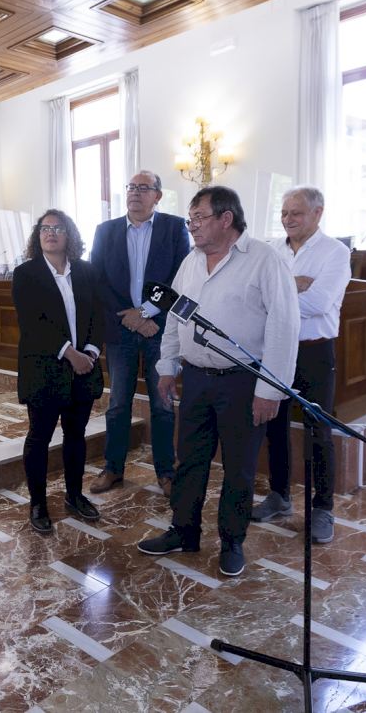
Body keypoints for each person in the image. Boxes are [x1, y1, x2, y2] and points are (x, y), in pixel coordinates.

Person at [137, 186, 298, 577]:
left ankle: (232, 541)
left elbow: (284, 327)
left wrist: (270, 391)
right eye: (190, 219)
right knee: (190, 459)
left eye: (199, 218)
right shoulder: (191, 262)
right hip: (195, 379)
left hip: (243, 381)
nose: (192, 226)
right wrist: (167, 366)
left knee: (239, 467)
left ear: (226, 219)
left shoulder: (264, 260)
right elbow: (175, 316)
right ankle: (183, 530)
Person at [252, 187, 351, 543]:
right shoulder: (271, 250)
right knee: (274, 425)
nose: (288, 219)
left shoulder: (335, 252)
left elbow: (320, 303)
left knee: (317, 431)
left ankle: (322, 508)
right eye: (284, 213)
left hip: (314, 351)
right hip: (275, 349)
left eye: (296, 213)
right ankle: (279, 495)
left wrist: (276, 294)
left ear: (317, 213)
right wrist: (294, 287)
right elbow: (255, 296)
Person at [89, 170, 190, 497]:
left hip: (160, 329)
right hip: (121, 330)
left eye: (143, 188)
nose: (135, 192)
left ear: (157, 195)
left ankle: (166, 471)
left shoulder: (174, 228)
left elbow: (179, 278)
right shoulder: (105, 231)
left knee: (162, 403)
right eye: (131, 187)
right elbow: (98, 280)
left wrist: (145, 313)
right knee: (118, 403)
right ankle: (113, 468)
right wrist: (130, 318)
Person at [12, 209, 106, 533]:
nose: (50, 233)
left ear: (70, 235)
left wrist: (89, 353)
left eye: (58, 228)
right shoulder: (26, 274)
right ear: (37, 236)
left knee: (76, 436)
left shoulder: (87, 271)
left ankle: (75, 496)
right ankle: (38, 503)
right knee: (39, 437)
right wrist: (70, 353)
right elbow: (32, 323)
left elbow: (98, 316)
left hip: (83, 370)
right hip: (44, 370)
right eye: (45, 228)